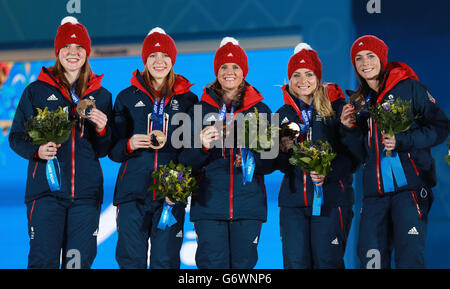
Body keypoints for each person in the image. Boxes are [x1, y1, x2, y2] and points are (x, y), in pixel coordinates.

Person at [9, 16, 112, 269]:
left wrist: (101, 129)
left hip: (86, 197)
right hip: (46, 194)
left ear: (87, 52)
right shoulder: (36, 90)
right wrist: (37, 150)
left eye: (79, 48)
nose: (73, 53)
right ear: (58, 52)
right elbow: (15, 137)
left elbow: (104, 149)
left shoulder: (101, 95)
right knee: (43, 263)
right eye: (66, 47)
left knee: (77, 265)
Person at [340, 35, 449, 268]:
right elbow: (361, 154)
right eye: (358, 58)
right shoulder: (359, 101)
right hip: (374, 195)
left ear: (381, 58)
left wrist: (402, 140)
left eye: (371, 56)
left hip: (409, 189)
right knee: (370, 259)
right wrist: (348, 128)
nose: (365, 62)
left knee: (409, 259)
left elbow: (441, 127)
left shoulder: (410, 88)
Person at [179, 37, 273, 269]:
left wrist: (252, 159)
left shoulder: (260, 110)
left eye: (235, 67)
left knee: (244, 269)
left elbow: (273, 162)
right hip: (209, 206)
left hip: (248, 207)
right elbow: (184, 162)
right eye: (223, 67)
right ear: (216, 71)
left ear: (244, 72)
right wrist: (201, 145)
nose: (229, 72)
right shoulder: (199, 110)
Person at [109, 27, 198, 269]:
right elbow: (113, 150)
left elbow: (192, 151)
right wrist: (129, 144)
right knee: (131, 261)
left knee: (165, 262)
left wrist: (180, 185)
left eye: (165, 56)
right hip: (132, 194)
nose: (159, 61)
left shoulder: (189, 100)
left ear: (173, 59)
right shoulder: (126, 97)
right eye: (153, 56)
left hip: (170, 194)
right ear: (145, 60)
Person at [273, 43, 357, 268]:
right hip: (293, 204)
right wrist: (282, 150)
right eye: (296, 75)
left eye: (309, 74)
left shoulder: (337, 107)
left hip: (331, 200)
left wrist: (327, 174)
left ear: (318, 77)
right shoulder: (283, 113)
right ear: (289, 79)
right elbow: (281, 164)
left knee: (327, 262)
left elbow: (354, 157)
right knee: (295, 263)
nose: (303, 80)